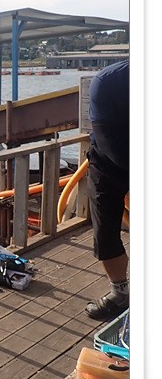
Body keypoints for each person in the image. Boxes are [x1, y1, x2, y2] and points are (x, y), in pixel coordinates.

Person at [84, 59, 129, 321]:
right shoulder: (107, 82)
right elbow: (109, 142)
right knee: (105, 233)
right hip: (108, 161)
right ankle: (119, 292)